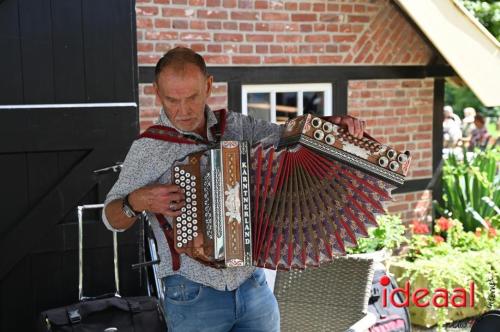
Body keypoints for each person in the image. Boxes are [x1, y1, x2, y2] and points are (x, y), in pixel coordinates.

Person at [102, 46, 366, 332]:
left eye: (191, 97)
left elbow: (288, 137)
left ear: (209, 86)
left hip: (252, 285)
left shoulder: (237, 126)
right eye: (171, 100)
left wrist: (326, 125)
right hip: (193, 294)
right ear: (156, 92)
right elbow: (110, 218)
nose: (183, 110)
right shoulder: (149, 148)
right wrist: (137, 200)